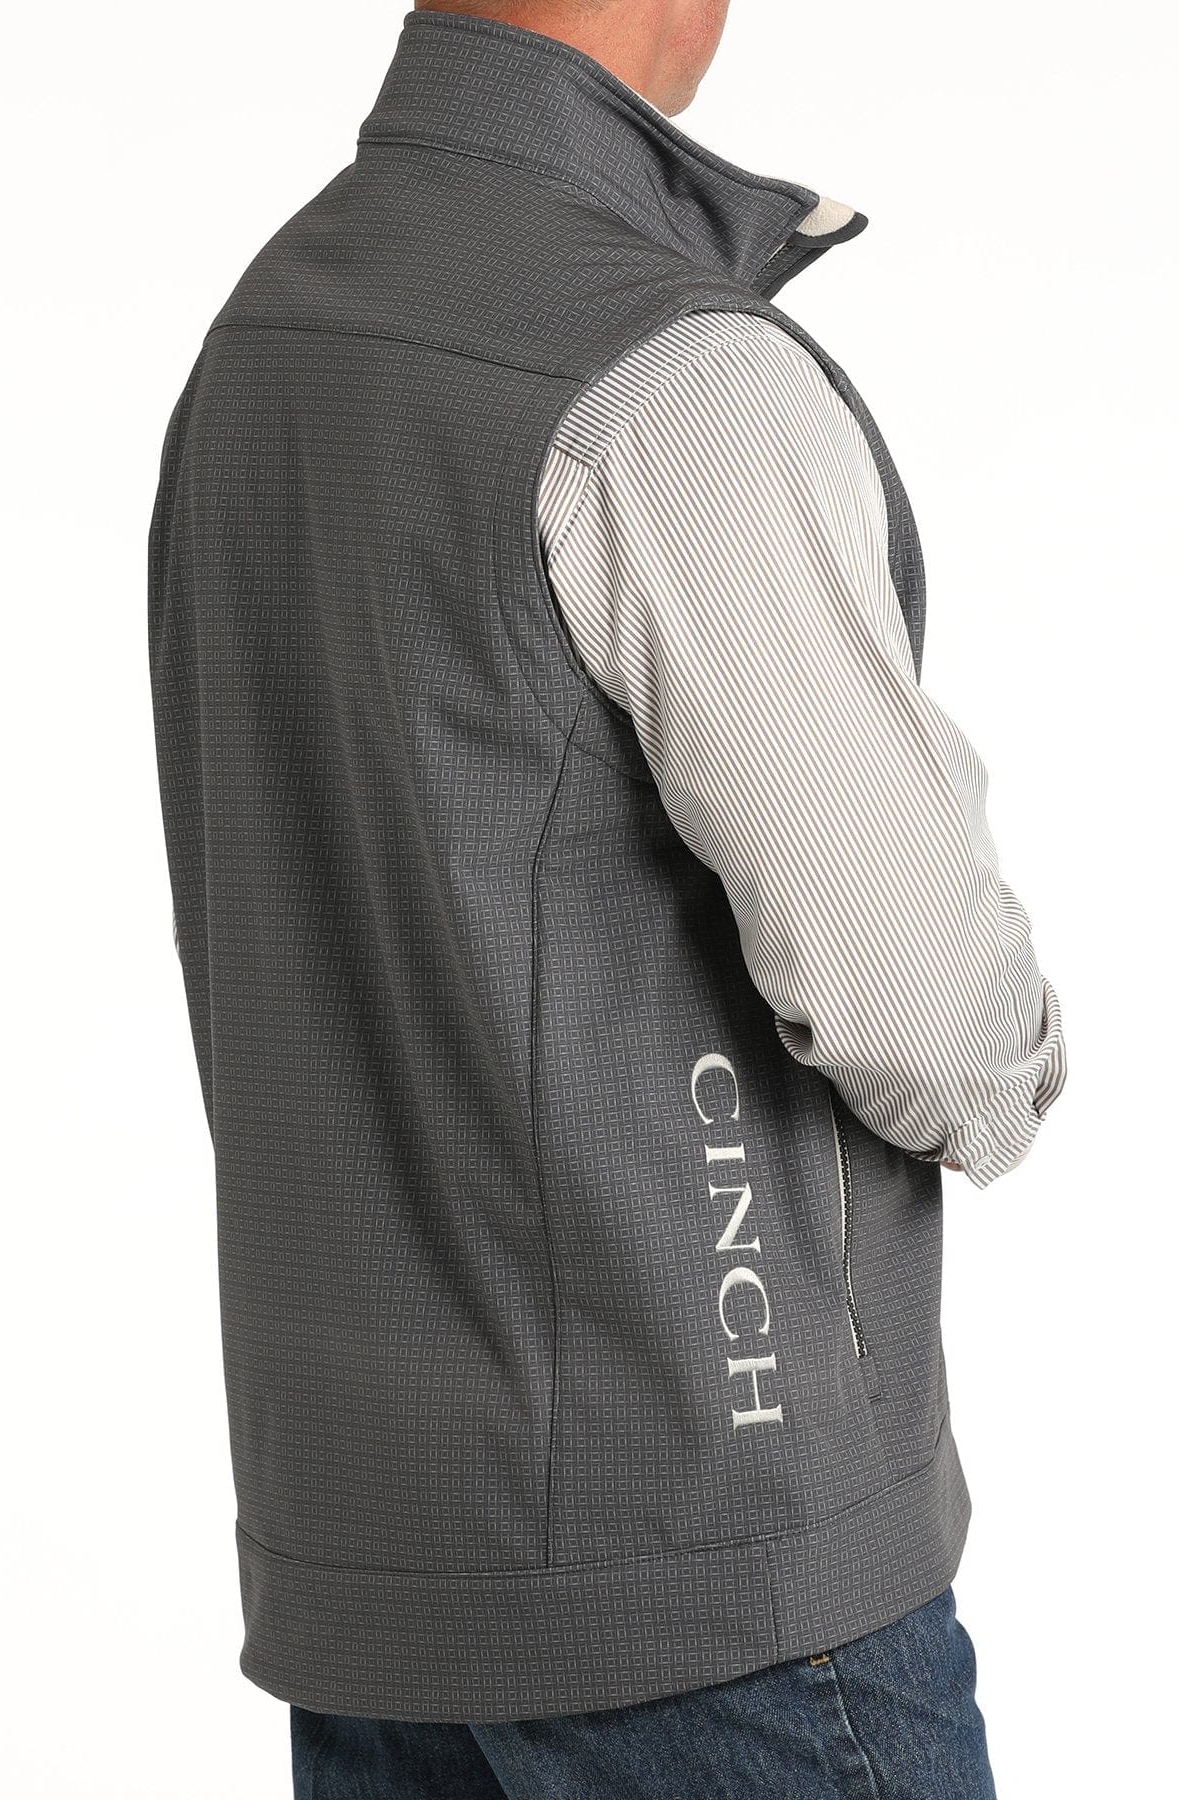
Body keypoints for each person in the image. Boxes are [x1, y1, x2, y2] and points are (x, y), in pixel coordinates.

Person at [147, 2, 1067, 1793]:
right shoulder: (668, 382)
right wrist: (1019, 1057)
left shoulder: (264, 339)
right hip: (714, 1572)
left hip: (376, 1581)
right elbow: (922, 1014)